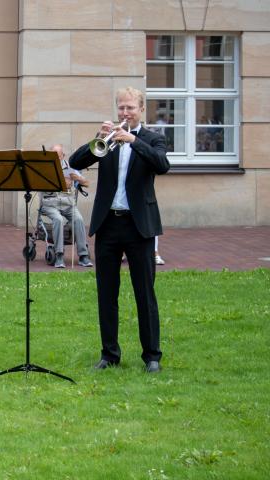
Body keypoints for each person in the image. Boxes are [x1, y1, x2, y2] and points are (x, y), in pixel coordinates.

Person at [69, 87, 170, 373]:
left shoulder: (152, 139)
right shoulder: (109, 141)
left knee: (144, 293)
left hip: (139, 226)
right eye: (121, 108)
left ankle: (152, 356)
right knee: (106, 293)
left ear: (141, 110)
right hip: (108, 224)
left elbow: (162, 165)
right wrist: (100, 138)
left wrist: (133, 140)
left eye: (130, 108)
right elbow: (75, 162)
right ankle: (109, 354)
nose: (125, 113)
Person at [39, 144, 93, 269]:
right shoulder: (43, 168)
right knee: (58, 219)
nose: (57, 159)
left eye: (59, 156)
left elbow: (87, 184)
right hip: (50, 203)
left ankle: (83, 255)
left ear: (63, 156)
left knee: (79, 219)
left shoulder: (70, 168)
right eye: (54, 156)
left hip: (68, 204)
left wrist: (77, 179)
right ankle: (59, 254)